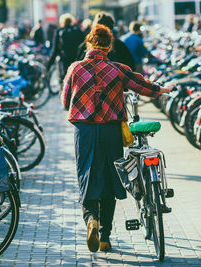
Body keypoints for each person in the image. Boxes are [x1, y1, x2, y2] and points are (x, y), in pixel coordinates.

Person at [61, 24, 174, 253]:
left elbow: (65, 102)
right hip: (111, 131)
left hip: (85, 132)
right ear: (109, 45)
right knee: (110, 183)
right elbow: (141, 85)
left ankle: (90, 220)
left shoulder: (75, 68)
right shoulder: (118, 69)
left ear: (89, 43)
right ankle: (104, 237)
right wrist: (162, 89)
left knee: (87, 178)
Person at [47, 13, 85, 79]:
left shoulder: (59, 31)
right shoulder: (78, 31)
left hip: (64, 61)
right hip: (77, 60)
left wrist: (49, 64)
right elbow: (83, 45)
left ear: (62, 22)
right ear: (71, 21)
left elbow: (55, 49)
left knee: (65, 80)